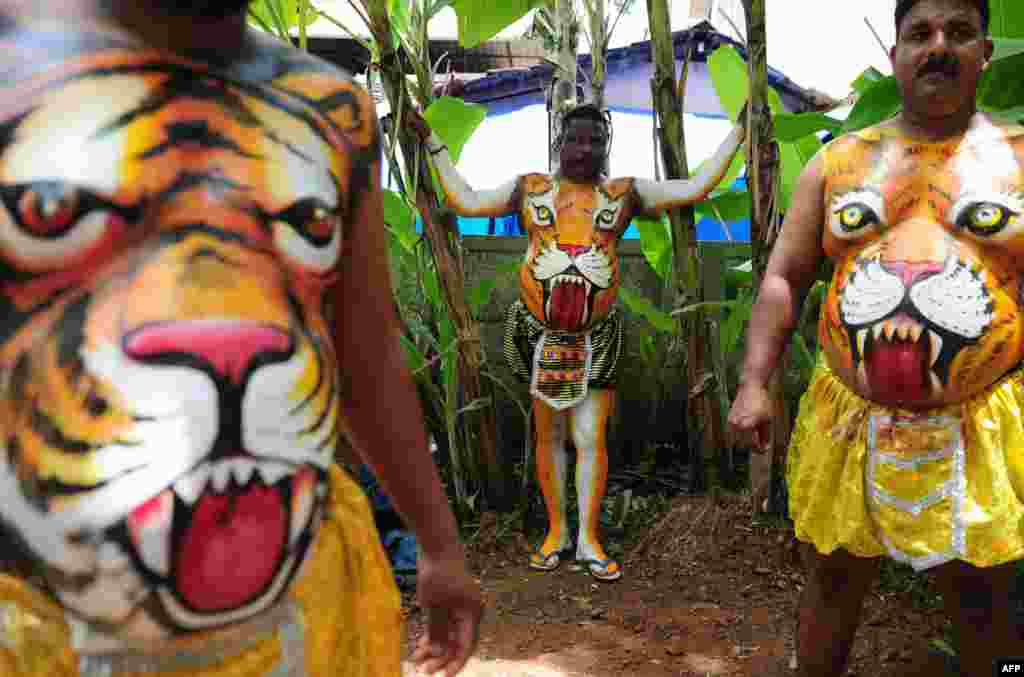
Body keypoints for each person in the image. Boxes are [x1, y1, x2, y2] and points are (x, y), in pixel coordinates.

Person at [0, 2, 481, 676]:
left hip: (294, 621)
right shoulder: (14, 56)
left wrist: (438, 545)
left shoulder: (328, 107)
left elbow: (365, 357)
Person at [727, 0, 1024, 674]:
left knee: (982, 595)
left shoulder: (1019, 158)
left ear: (987, 52)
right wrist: (753, 383)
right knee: (831, 582)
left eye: (959, 32)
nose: (938, 47)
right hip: (850, 421)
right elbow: (783, 277)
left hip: (981, 425)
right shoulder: (839, 162)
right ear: (895, 56)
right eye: (919, 33)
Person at [408, 101, 745, 581]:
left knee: (590, 437)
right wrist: (430, 142)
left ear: (605, 147)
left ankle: (588, 538)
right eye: (574, 139)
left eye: (594, 141)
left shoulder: (623, 194)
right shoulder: (531, 190)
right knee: (549, 436)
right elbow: (466, 199)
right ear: (559, 143)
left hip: (598, 335)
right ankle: (556, 533)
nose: (584, 149)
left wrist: (738, 130)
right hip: (540, 333)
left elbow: (694, 187)